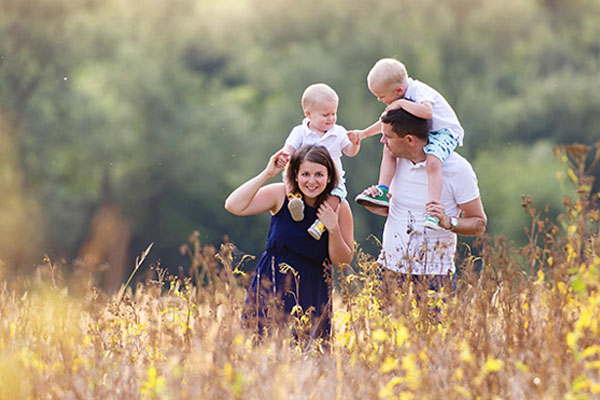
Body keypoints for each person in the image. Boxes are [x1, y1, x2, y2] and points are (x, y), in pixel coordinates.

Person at [224, 145, 354, 339]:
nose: (312, 181)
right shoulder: (281, 195)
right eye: (305, 174)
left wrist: (333, 228)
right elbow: (233, 205)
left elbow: (343, 263)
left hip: (312, 288)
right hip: (271, 282)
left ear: (329, 177)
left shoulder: (339, 207)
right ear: (295, 174)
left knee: (307, 355)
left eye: (319, 174)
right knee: (261, 347)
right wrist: (268, 173)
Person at [360, 108, 486, 291]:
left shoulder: (458, 169)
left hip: (435, 276)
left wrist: (447, 222)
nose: (382, 141)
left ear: (409, 140)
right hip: (388, 271)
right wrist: (375, 203)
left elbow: (479, 223)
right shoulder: (394, 162)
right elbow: (396, 211)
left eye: (388, 136)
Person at [350, 58, 465, 230]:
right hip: (424, 131)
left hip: (443, 132)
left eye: (381, 96)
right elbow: (386, 121)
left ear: (398, 90)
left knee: (433, 162)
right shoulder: (399, 97)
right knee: (388, 148)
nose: (379, 100)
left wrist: (401, 103)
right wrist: (364, 134)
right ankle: (383, 190)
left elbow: (427, 112)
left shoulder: (418, 91)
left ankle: (433, 210)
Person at [278, 83, 360, 240]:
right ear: (308, 114)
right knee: (287, 176)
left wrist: (355, 143)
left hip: (332, 178)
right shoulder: (300, 132)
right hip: (304, 175)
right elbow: (289, 147)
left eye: (333, 113)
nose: (331, 118)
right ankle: (294, 200)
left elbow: (349, 152)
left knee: (337, 195)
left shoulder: (338, 132)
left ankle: (320, 224)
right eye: (325, 115)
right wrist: (285, 155)